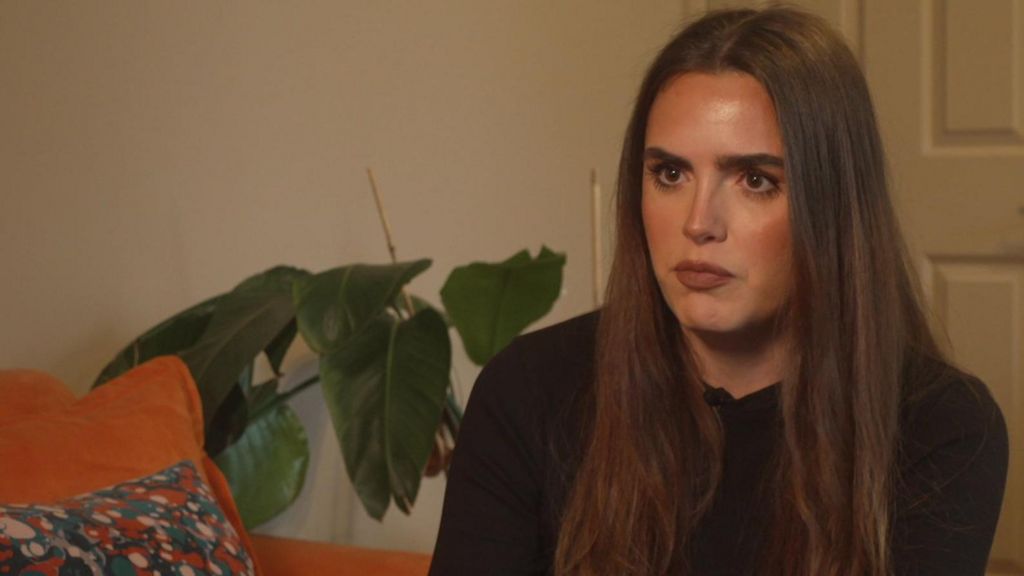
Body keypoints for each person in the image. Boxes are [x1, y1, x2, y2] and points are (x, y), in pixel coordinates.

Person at [429, 7, 1008, 576]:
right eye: (671, 174)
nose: (698, 222)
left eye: (756, 180)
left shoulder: (939, 425)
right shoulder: (529, 393)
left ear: (832, 208)